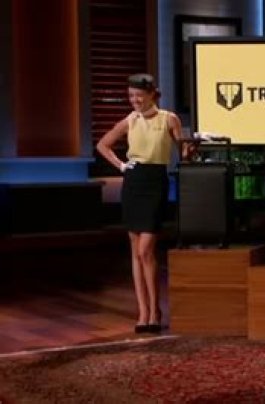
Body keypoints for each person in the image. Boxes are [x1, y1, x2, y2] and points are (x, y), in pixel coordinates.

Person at [96, 73, 183, 334]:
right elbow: (103, 145)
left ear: (152, 95)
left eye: (139, 96)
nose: (134, 100)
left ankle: (156, 309)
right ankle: (144, 312)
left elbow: (183, 150)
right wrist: (121, 165)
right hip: (133, 182)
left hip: (155, 182)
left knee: (146, 249)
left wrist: (192, 147)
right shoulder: (130, 120)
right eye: (131, 96)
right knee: (135, 250)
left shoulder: (169, 119)